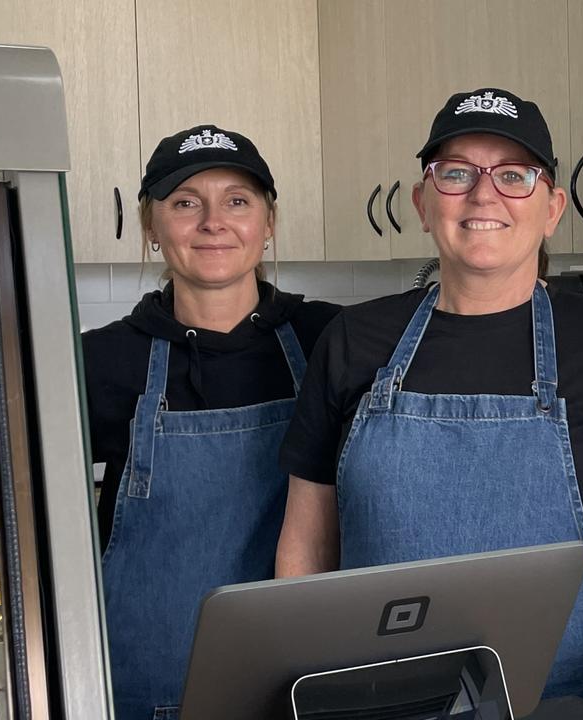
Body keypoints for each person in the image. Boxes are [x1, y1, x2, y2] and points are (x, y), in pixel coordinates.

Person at [276, 88, 583, 719]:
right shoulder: (353, 339)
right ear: (422, 202)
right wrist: (298, 677)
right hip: (372, 700)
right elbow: (308, 541)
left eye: (514, 176)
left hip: (567, 699)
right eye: (456, 174)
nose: (483, 195)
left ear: (554, 206)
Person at [82, 125, 341, 719]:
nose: (213, 222)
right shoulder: (98, 360)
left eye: (237, 201)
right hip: (151, 680)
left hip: (307, 672)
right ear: (150, 226)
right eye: (184, 203)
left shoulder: (331, 339)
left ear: (268, 223)